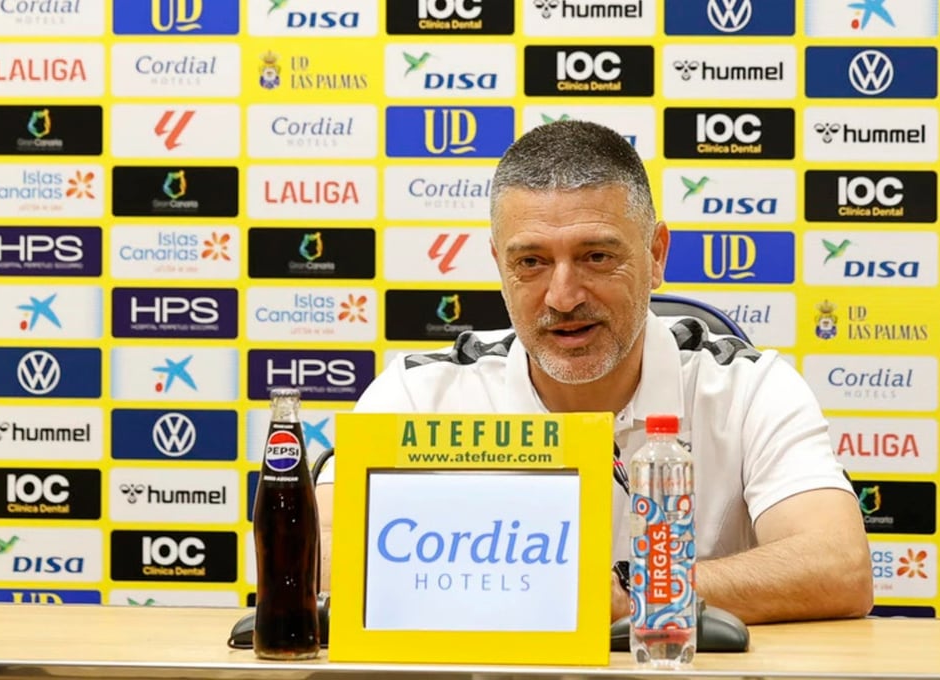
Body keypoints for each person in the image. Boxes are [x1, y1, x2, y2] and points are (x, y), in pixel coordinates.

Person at [315, 120, 873, 625]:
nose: (563, 297)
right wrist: (549, 591)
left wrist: (634, 596)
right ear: (499, 266)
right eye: (531, 262)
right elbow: (315, 560)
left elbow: (839, 566)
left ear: (656, 255)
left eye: (597, 257)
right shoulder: (419, 394)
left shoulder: (749, 389)